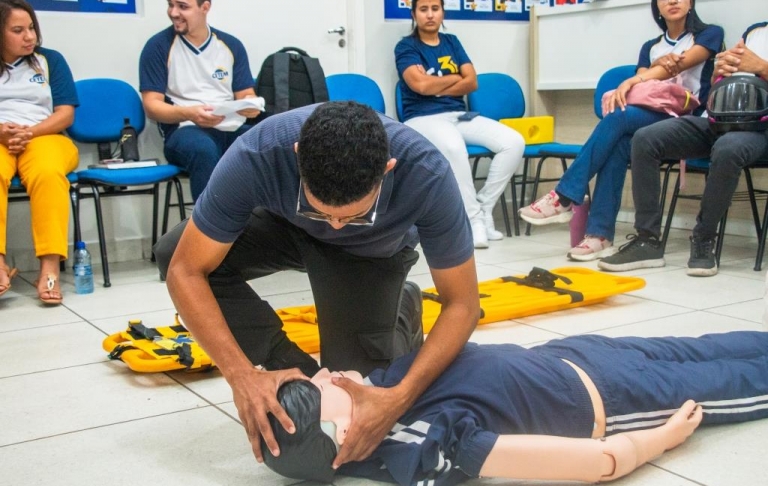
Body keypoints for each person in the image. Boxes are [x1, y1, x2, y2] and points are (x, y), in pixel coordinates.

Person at [153, 101, 481, 469]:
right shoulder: (258, 152)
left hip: (371, 255)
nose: (335, 225)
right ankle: (286, 363)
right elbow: (185, 270)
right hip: (286, 230)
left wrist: (401, 395)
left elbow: (463, 304)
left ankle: (402, 310)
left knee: (359, 412)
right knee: (172, 252)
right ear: (298, 159)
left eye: (355, 214)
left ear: (387, 170)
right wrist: (241, 375)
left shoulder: (426, 174)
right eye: (320, 209)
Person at [264, 331, 768, 485]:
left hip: (571, 353)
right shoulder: (427, 441)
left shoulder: (380, 386)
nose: (326, 374)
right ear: (342, 436)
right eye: (322, 388)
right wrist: (661, 439)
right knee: (738, 377)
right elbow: (594, 465)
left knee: (710, 344)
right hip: (620, 397)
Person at [519, 0, 723, 262]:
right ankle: (599, 235)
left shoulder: (709, 33)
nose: (672, 1)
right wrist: (653, 70)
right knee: (618, 134)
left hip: (690, 121)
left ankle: (565, 196)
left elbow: (682, 63)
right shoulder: (650, 48)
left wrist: (637, 77)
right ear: (656, 6)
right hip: (656, 116)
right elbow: (646, 89)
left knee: (618, 125)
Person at [600, 22, 768, 277]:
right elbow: (725, 83)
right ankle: (647, 241)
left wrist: (762, 68)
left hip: (759, 130)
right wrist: (717, 75)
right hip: (721, 119)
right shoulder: (755, 31)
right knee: (646, 138)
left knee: (727, 148)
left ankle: (703, 238)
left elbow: (757, 71)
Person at [395, 0, 525, 249]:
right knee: (454, 148)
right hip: (422, 118)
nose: (430, 15)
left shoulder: (452, 41)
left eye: (435, 8)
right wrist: (455, 78)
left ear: (442, 11)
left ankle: (484, 209)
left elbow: (472, 82)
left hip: (458, 114)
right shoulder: (406, 46)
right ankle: (472, 220)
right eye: (423, 9)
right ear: (414, 14)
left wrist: (435, 82)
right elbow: (419, 86)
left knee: (513, 142)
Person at [139, 0, 263, 202]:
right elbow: (152, 106)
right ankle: (209, 228)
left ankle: (264, 224)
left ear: (205, 7)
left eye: (183, 6)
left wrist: (250, 106)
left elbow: (246, 94)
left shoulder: (231, 45)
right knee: (204, 150)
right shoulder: (158, 46)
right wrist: (190, 113)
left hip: (229, 127)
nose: (173, 12)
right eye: (170, 5)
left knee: (268, 144)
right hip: (184, 129)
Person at [0, 0, 78, 305]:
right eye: (18, 30)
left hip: (46, 135)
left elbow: (65, 114)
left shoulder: (50, 61)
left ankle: (49, 267)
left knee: (47, 174)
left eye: (31, 27)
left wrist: (28, 132)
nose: (29, 36)